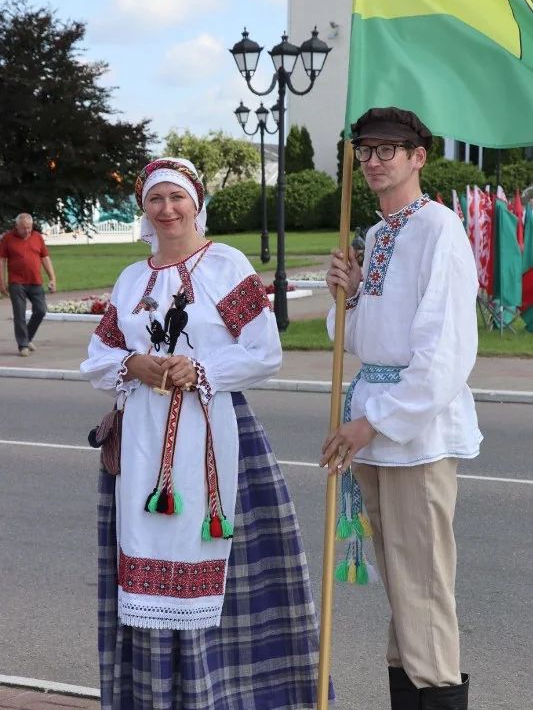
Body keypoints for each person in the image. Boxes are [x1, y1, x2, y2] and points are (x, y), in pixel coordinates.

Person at [81, 157, 330, 710]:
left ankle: (228, 696)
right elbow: (97, 357)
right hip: (145, 445)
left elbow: (265, 353)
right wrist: (134, 366)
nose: (167, 209)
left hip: (218, 438)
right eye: (155, 199)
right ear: (144, 210)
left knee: (223, 566)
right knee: (145, 570)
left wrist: (202, 370)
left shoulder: (224, 265)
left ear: (196, 201)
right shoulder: (131, 278)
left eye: (177, 198)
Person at [321, 108, 480, 710]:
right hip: (377, 427)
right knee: (402, 589)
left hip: (415, 432)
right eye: (365, 150)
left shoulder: (439, 228)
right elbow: (360, 341)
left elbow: (445, 352)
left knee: (424, 587)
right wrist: (354, 290)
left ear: (419, 156)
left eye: (390, 149)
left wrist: (374, 421)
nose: (374, 161)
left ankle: (436, 695)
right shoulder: (380, 235)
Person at [0, 212, 56, 356]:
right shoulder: (7, 239)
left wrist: (52, 278)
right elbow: (1, 261)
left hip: (35, 281)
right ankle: (23, 345)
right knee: (19, 314)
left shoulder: (37, 237)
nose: (27, 231)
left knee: (41, 310)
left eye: (29, 227)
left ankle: (27, 336)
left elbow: (45, 258)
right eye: (24, 228)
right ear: (17, 226)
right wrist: (1, 282)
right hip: (16, 282)